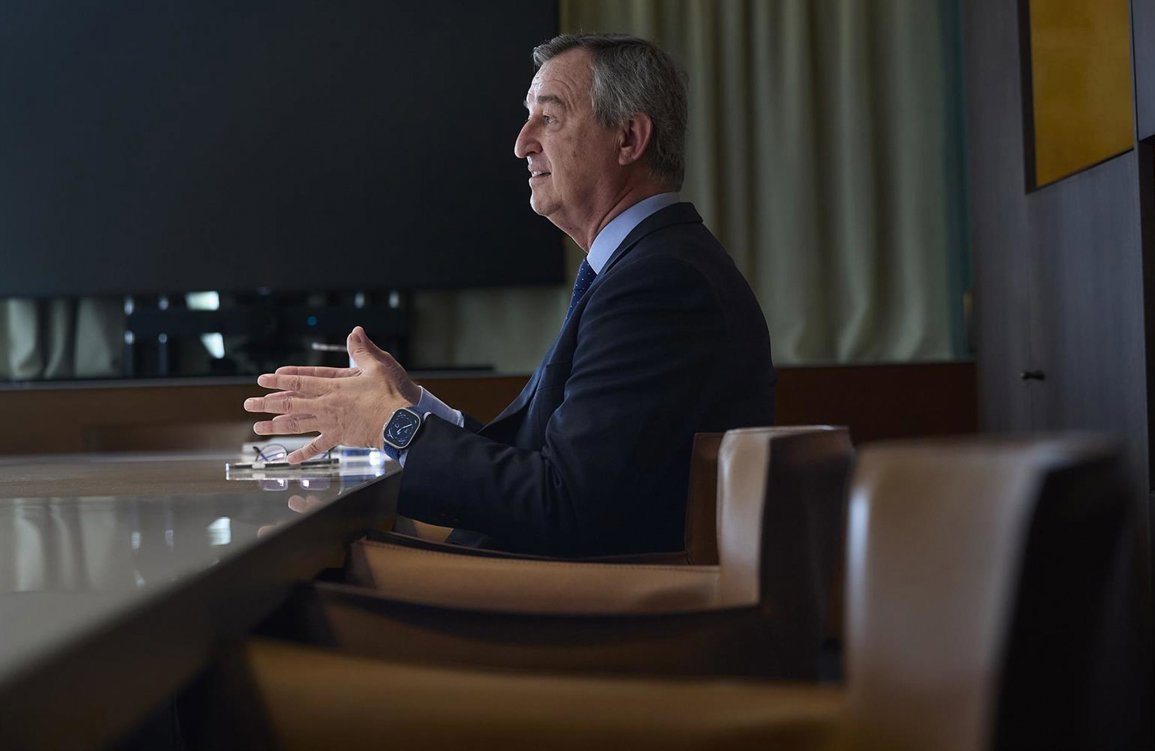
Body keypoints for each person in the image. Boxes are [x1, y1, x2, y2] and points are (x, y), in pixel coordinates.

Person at [244, 34, 774, 556]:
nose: (522, 143)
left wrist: (391, 427)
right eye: (527, 117)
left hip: (588, 603)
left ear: (629, 139)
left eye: (550, 117)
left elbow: (564, 504)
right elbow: (545, 466)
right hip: (567, 580)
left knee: (302, 572)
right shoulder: (648, 265)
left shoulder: (659, 282)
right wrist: (411, 407)